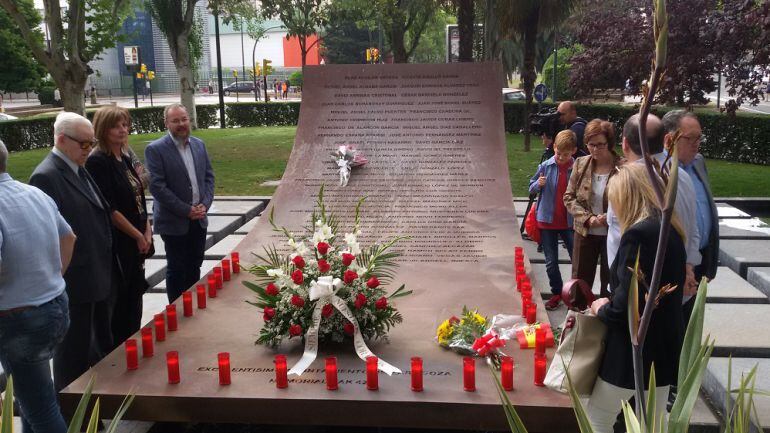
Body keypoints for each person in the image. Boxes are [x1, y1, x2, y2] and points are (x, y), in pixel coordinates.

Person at [587, 164, 686, 433]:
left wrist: (600, 308)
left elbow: (624, 309)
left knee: (596, 419)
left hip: (633, 351)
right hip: (664, 350)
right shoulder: (671, 231)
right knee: (651, 423)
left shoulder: (638, 235)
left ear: (628, 197)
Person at [29, 112, 114, 392]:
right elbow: (48, 238)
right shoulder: (46, 176)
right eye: (85, 144)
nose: (90, 150)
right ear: (62, 140)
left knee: (96, 351)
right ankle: (73, 415)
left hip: (95, 277)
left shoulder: (78, 165)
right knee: (71, 359)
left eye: (92, 144)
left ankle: (94, 409)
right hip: (75, 283)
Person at [0, 139, 76, 433]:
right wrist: (50, 278)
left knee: (41, 409)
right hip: (55, 306)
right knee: (33, 395)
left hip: (19, 319)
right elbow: (69, 237)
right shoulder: (34, 194)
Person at [606, 114, 700, 296]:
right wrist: (689, 266)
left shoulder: (626, 184)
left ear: (624, 144)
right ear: (664, 140)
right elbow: (693, 229)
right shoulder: (683, 177)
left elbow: (620, 239)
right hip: (677, 289)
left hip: (639, 298)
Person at [86, 106, 152, 348]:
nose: (122, 130)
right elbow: (110, 209)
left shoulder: (124, 157)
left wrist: (147, 231)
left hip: (139, 241)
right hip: (121, 243)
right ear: (103, 129)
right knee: (121, 307)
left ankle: (133, 347)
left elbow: (140, 197)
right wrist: (137, 235)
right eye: (116, 126)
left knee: (135, 301)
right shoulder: (98, 161)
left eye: (125, 124)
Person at [145, 103, 215, 302]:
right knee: (176, 268)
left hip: (199, 219)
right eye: (175, 121)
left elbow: (209, 178)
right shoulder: (155, 149)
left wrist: (205, 205)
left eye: (184, 119)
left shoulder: (199, 144)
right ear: (166, 123)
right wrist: (186, 210)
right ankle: (176, 311)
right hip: (174, 222)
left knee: (195, 265)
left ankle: (192, 306)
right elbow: (157, 187)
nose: (181, 124)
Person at [662, 110, 718, 320]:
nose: (697, 143)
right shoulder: (659, 173)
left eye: (699, 137)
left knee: (693, 323)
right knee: (674, 325)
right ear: (669, 139)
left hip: (701, 258)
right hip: (676, 264)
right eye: (690, 138)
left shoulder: (699, 162)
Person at [563, 120, 623, 298]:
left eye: (600, 145)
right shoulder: (581, 164)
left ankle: (607, 322)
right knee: (579, 282)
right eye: (591, 145)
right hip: (585, 232)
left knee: (611, 282)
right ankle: (578, 321)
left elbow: (631, 202)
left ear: (610, 143)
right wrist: (589, 219)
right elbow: (568, 197)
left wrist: (611, 216)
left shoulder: (623, 167)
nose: (595, 150)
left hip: (613, 235)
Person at [528, 129, 576, 310]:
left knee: (576, 260)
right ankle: (557, 292)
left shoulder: (577, 167)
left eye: (566, 154)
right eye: (558, 153)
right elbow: (531, 188)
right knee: (551, 261)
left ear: (573, 150)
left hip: (569, 222)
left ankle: (574, 292)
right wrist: (537, 185)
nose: (561, 157)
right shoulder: (546, 166)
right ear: (554, 147)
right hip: (547, 221)